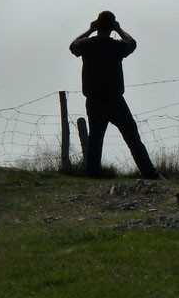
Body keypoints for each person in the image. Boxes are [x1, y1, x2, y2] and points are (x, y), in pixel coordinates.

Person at [69, 10, 162, 180]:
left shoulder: (88, 45)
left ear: (97, 25)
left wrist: (89, 30)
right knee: (133, 138)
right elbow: (131, 43)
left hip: (94, 101)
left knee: (95, 140)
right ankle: (149, 173)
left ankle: (92, 175)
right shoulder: (116, 46)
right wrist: (119, 30)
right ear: (112, 26)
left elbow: (73, 46)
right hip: (115, 100)